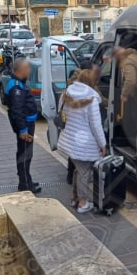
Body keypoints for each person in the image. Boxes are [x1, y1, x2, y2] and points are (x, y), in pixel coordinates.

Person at [58, 69, 107, 214]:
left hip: (70, 140)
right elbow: (96, 126)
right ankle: (83, 202)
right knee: (84, 173)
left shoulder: (66, 94)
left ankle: (74, 198)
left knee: (78, 171)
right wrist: (103, 144)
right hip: (84, 144)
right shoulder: (91, 100)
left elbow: (62, 113)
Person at [5, 58, 41, 194]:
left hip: (27, 124)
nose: (30, 71)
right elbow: (17, 110)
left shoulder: (19, 83)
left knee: (26, 153)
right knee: (25, 154)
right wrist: (23, 129)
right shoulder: (16, 87)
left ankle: (26, 180)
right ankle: (25, 184)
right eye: (28, 68)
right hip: (25, 126)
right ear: (22, 70)